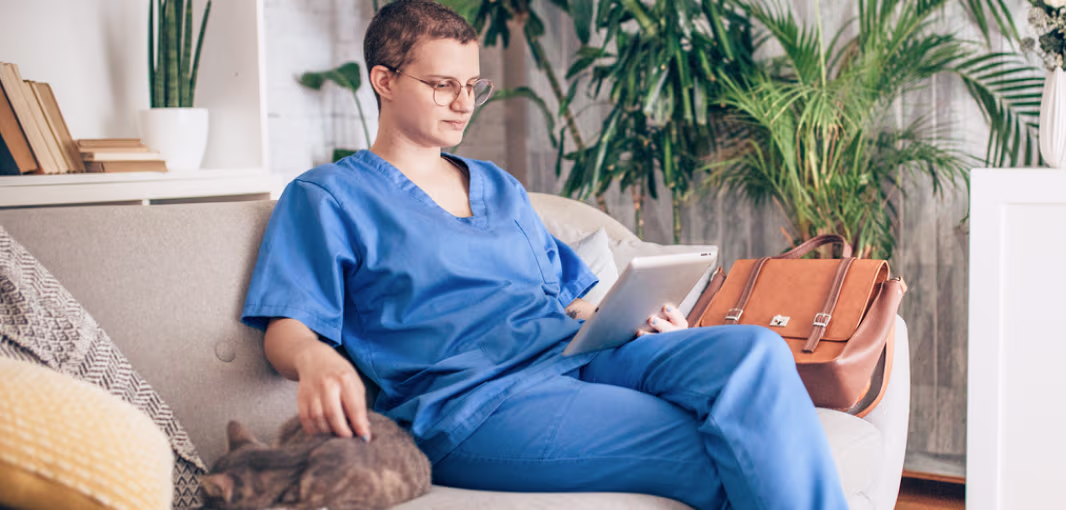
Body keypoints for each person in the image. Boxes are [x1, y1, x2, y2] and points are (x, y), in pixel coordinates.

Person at [241, 1, 848, 508]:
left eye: (472, 86)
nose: (463, 103)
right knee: (720, 448)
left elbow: (573, 300)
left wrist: (632, 319)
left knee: (755, 351)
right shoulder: (328, 196)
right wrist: (316, 361)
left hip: (577, 355)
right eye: (443, 85)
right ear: (385, 80)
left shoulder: (499, 186)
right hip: (478, 404)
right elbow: (287, 328)